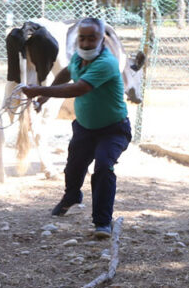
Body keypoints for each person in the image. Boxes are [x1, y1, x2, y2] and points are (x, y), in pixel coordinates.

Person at [19, 17, 131, 239]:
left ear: (102, 40)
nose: (87, 43)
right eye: (83, 38)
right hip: (85, 128)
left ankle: (102, 222)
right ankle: (71, 196)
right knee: (74, 167)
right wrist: (43, 94)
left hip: (113, 129)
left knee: (103, 167)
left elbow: (79, 88)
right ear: (77, 39)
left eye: (92, 38)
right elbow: (67, 73)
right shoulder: (80, 59)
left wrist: (40, 92)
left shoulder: (106, 63)